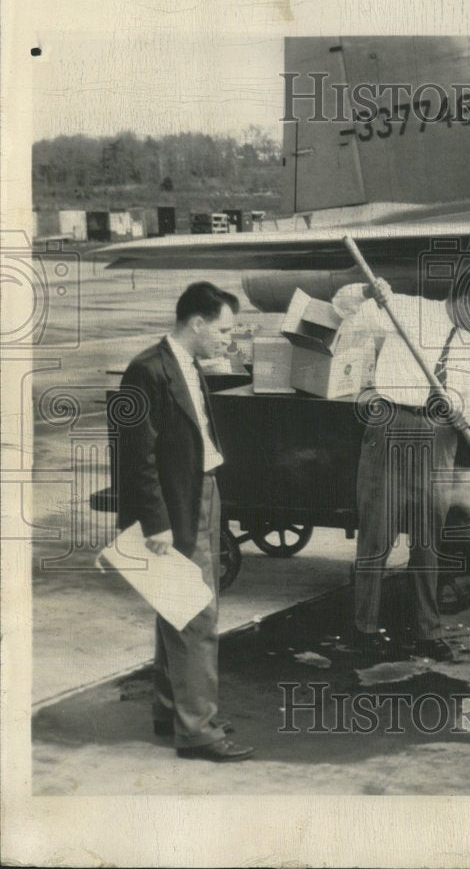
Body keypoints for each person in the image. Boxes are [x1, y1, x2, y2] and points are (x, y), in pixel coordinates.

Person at [117, 281, 253, 762]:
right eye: (223, 329)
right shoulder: (146, 370)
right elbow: (135, 456)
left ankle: (172, 709)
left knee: (178, 608)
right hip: (176, 505)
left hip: (202, 491)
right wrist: (155, 523)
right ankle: (197, 731)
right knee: (196, 616)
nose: (228, 339)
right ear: (196, 323)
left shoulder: (189, 365)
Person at [335, 273, 470, 663]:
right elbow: (342, 307)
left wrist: (463, 410)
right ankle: (364, 630)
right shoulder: (406, 309)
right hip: (391, 427)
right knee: (376, 537)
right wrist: (366, 292)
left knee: (428, 542)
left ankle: (427, 631)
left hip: (440, 438)